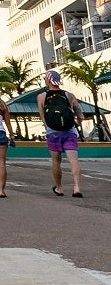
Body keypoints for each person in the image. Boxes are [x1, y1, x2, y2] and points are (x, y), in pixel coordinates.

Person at [38, 68, 85, 197]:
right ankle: (76, 188)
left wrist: (50, 127)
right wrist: (76, 125)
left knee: (56, 160)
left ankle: (59, 188)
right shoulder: (69, 95)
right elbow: (80, 115)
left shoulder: (42, 97)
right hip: (70, 131)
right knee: (73, 160)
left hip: (53, 132)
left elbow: (43, 117)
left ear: (48, 80)